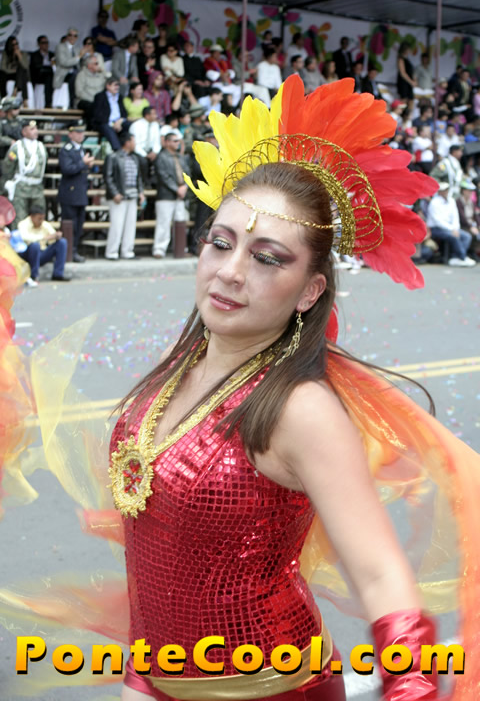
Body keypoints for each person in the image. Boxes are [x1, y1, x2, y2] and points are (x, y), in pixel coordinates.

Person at [3, 78, 480, 701]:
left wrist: (411, 688)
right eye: (221, 244)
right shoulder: (181, 365)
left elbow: (379, 575)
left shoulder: (300, 410)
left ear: (310, 290)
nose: (229, 272)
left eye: (268, 258)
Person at [58, 121, 96, 262]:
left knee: (79, 225)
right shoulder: (66, 150)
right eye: (77, 133)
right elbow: (67, 169)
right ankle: (67, 251)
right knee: (70, 224)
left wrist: (90, 165)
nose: (81, 135)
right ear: (70, 134)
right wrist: (82, 163)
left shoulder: (83, 149)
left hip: (81, 192)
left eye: (82, 132)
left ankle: (74, 249)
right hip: (70, 193)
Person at [104, 131, 144, 260]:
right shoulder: (113, 157)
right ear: (127, 142)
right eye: (133, 141)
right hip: (119, 197)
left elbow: (138, 178)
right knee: (117, 225)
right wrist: (114, 193)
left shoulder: (135, 158)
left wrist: (140, 192)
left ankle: (127, 251)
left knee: (130, 225)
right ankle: (112, 251)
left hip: (132, 196)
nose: (135, 144)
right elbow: (108, 177)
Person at [152, 131, 189, 258]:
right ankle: (159, 249)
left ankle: (180, 248)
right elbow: (163, 176)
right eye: (175, 141)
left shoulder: (181, 157)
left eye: (178, 141)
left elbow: (187, 173)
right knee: (163, 222)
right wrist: (177, 189)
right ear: (167, 142)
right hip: (166, 195)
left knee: (181, 221)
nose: (178, 143)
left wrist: (185, 187)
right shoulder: (161, 157)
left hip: (181, 194)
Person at [2, 120, 46, 227]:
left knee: (39, 217)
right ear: (24, 132)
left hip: (37, 187)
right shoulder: (17, 147)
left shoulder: (41, 147)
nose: (35, 131)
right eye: (32, 129)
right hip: (21, 187)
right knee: (19, 219)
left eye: (36, 128)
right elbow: (8, 167)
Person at [427, 181, 475, 266]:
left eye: (446, 190)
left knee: (467, 236)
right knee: (453, 236)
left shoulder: (451, 201)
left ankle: (456, 257)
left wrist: (455, 228)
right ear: (439, 191)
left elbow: (455, 216)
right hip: (436, 229)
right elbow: (438, 221)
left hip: (451, 228)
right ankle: (462, 257)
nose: (445, 192)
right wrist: (452, 229)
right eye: (443, 190)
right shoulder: (434, 202)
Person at [17, 205, 71, 281]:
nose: (41, 221)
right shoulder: (23, 224)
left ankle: (58, 274)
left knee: (62, 242)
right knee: (35, 245)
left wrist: (56, 236)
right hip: (28, 254)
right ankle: (33, 275)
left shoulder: (44, 224)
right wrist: (44, 238)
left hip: (42, 253)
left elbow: (52, 235)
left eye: (43, 218)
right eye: (39, 219)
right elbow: (24, 237)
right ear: (32, 217)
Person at [92, 77, 129, 151]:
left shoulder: (120, 97)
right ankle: (118, 150)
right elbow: (98, 115)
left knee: (131, 125)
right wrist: (112, 124)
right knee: (107, 128)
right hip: (105, 123)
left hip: (118, 122)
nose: (117, 87)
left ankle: (130, 149)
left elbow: (124, 113)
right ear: (108, 86)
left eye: (118, 85)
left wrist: (119, 122)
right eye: (115, 85)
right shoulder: (100, 96)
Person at [54, 28, 88, 107]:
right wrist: (79, 56)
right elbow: (64, 62)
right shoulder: (60, 47)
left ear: (77, 37)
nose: (72, 37)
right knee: (75, 77)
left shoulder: (77, 48)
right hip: (64, 74)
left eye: (75, 36)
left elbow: (81, 63)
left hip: (76, 74)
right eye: (70, 35)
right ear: (67, 36)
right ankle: (71, 104)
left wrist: (86, 56)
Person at [130, 106, 161, 186]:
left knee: (161, 159)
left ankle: (155, 183)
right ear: (147, 115)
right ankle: (145, 183)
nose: (156, 116)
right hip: (139, 151)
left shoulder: (155, 125)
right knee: (143, 162)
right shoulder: (136, 125)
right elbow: (135, 144)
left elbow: (157, 142)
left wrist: (155, 152)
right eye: (154, 114)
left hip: (151, 151)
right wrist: (145, 155)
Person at [75, 55, 107, 127]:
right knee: (92, 107)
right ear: (89, 65)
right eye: (96, 63)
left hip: (98, 101)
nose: (98, 65)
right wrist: (94, 100)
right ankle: (91, 126)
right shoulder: (81, 75)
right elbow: (79, 92)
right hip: (84, 100)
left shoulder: (101, 75)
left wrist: (103, 72)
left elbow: (107, 86)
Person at [0, 36, 30, 102]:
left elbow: (26, 66)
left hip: (19, 75)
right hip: (9, 74)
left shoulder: (23, 53)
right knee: (1, 73)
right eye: (13, 45)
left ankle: (15, 90)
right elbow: (3, 67)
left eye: (17, 44)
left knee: (21, 69)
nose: (16, 46)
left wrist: (19, 55)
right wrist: (12, 71)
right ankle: (3, 96)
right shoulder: (6, 54)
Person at [29, 35, 55, 108]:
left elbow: (54, 67)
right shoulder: (35, 55)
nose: (46, 45)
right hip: (39, 76)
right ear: (39, 44)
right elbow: (34, 68)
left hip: (50, 76)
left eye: (47, 42)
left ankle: (49, 103)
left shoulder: (52, 55)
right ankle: (47, 103)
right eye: (43, 43)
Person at [0, 97, 22, 161]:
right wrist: (10, 141)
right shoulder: (1, 123)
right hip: (4, 156)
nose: (17, 110)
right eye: (15, 108)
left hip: (20, 155)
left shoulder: (21, 122)